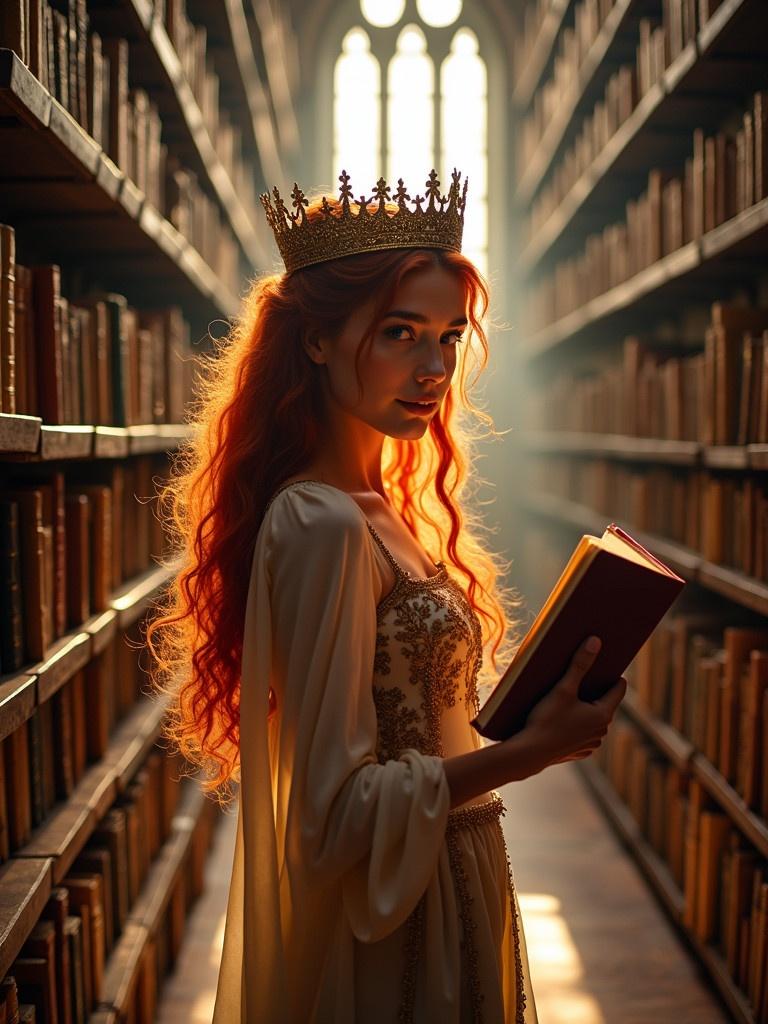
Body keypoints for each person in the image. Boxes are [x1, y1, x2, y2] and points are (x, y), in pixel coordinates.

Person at [146, 169, 627, 1023]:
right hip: (397, 928)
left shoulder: (385, 509)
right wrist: (532, 752)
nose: (433, 366)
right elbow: (329, 818)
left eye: (449, 337)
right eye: (401, 333)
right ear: (319, 340)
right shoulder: (321, 523)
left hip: (453, 878)